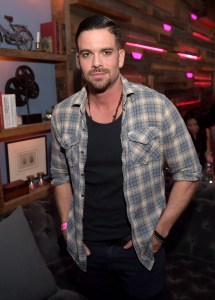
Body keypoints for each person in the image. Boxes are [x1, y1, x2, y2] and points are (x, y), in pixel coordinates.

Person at [51, 15, 202, 300]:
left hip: (141, 252)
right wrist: (66, 227)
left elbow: (189, 172)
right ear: (79, 60)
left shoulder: (156, 106)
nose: (96, 62)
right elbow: (59, 176)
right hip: (88, 254)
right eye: (87, 53)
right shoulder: (62, 114)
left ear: (120, 57)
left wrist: (159, 234)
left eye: (105, 52)